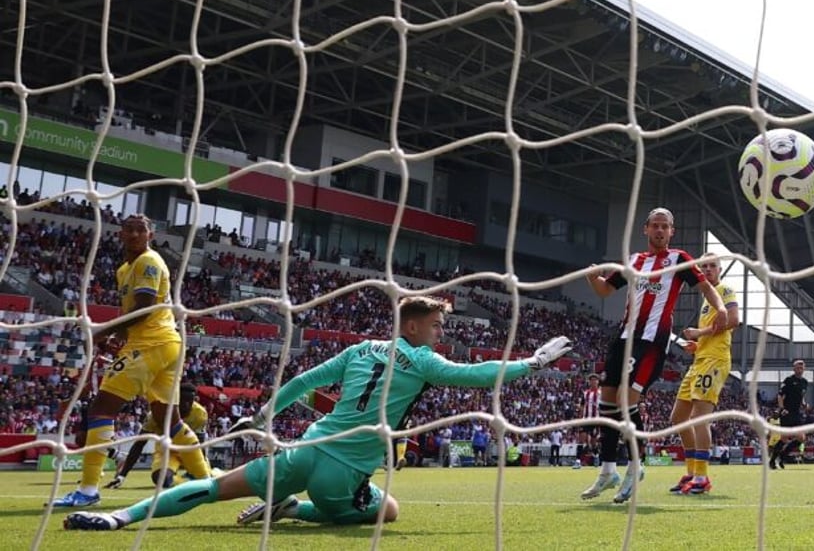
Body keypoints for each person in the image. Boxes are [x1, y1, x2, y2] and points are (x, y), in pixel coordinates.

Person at [64, 296, 572, 530]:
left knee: (215, 489)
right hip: (341, 472)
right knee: (388, 511)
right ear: (414, 328)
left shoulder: (360, 349)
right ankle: (296, 510)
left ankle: (118, 517)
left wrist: (265, 416)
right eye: (437, 325)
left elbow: (304, 382)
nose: (440, 332)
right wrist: (531, 363)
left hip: (302, 448)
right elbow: (477, 376)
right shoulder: (421, 359)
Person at [51, 214, 207, 508]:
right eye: (129, 229)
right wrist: (113, 337)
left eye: (141, 230)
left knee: (101, 409)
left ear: (151, 234)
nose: (134, 234)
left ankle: (87, 491)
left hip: (153, 343)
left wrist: (100, 330)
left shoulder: (148, 261)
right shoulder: (126, 269)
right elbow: (133, 316)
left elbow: (145, 308)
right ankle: (207, 480)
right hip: (164, 343)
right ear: (120, 234)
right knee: (168, 423)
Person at [581, 208, 728, 503]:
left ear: (671, 231)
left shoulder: (680, 259)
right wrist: (591, 276)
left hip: (651, 342)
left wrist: (721, 307)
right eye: (655, 226)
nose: (660, 231)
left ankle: (636, 468)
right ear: (646, 229)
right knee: (607, 403)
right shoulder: (634, 261)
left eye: (665, 226)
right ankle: (608, 470)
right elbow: (605, 290)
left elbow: (705, 287)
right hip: (623, 338)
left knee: (627, 401)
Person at [669, 252, 739, 494]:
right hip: (700, 360)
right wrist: (696, 345)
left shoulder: (725, 290)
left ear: (719, 269)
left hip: (715, 360)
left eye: (712, 266)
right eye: (704, 266)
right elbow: (714, 332)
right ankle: (690, 472)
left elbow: (733, 320)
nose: (708, 269)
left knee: (699, 417)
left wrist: (699, 334)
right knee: (678, 418)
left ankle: (702, 476)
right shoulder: (705, 299)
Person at [105, 383, 213, 489]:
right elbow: (139, 444)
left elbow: (200, 443)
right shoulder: (156, 415)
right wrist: (122, 476)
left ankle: (206, 473)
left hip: (190, 451)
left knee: (206, 481)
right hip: (167, 452)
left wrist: (202, 464)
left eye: (190, 401)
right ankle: (181, 480)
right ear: (175, 399)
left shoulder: (200, 414)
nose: (186, 405)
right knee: (161, 480)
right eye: (182, 401)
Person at [769, 359, 809, 469]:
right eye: (797, 368)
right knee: (784, 438)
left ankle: (782, 456)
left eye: (801, 368)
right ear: (794, 369)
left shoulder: (804, 382)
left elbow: (801, 397)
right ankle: (772, 461)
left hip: (797, 413)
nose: (799, 370)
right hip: (787, 412)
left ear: (804, 369)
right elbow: (780, 395)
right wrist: (782, 408)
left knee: (801, 438)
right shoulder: (788, 380)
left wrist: (804, 404)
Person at [575, 373, 601, 469]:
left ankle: (596, 456)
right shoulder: (585, 393)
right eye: (591, 380)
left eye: (595, 380)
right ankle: (578, 461)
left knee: (594, 443)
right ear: (589, 382)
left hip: (595, 421)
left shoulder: (600, 394)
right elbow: (582, 406)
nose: (593, 382)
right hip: (585, 420)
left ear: (598, 382)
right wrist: (580, 417)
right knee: (581, 439)